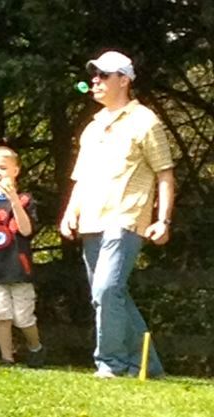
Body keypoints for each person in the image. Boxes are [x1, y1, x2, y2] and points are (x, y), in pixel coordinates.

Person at [59, 51, 174, 379]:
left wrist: (162, 219)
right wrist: (70, 213)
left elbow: (165, 173)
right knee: (111, 295)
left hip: (126, 220)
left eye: (103, 75)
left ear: (124, 79)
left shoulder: (145, 121)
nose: (95, 80)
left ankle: (110, 363)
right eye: (93, 74)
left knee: (107, 291)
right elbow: (80, 178)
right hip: (91, 221)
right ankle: (148, 366)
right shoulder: (92, 128)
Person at [0, 146, 46, 368]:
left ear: (16, 170)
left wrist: (14, 199)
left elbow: (26, 230)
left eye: (3, 168)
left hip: (19, 269)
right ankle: (7, 358)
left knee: (23, 318)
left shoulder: (26, 200)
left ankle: (35, 347)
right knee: (1, 316)